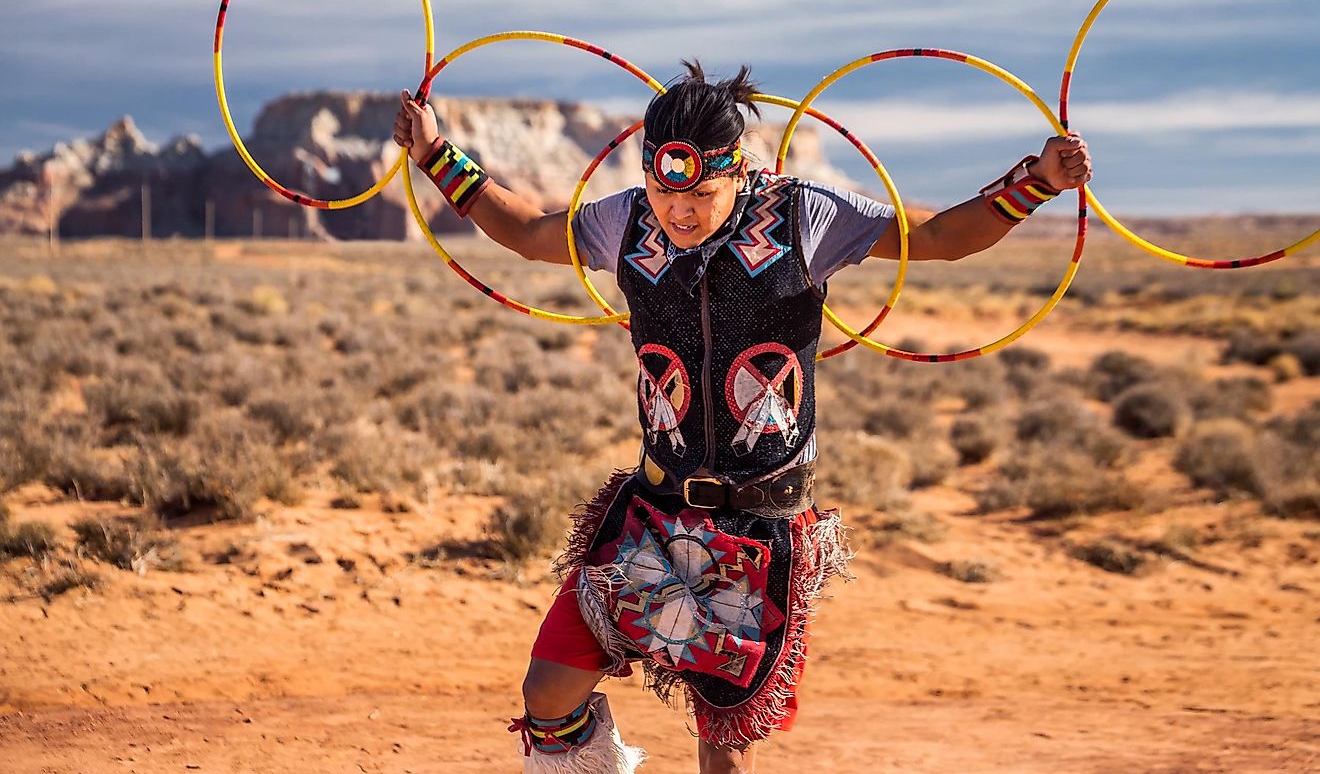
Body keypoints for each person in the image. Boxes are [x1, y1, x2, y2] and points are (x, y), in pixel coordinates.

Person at [393, 62, 1091, 774]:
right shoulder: (625, 221)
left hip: (757, 531)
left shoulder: (803, 217)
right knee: (546, 692)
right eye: (666, 191)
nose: (680, 212)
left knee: (723, 760)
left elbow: (939, 238)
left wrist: (1037, 181)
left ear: (739, 171)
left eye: (700, 192)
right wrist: (433, 154)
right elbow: (531, 232)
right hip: (651, 513)